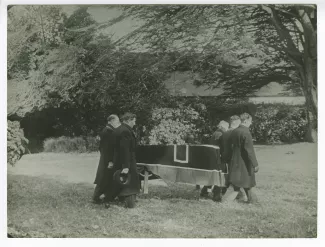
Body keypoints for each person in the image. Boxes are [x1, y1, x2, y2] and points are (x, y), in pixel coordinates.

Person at [106, 112, 140, 208]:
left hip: (120, 161)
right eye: (134, 121)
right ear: (128, 120)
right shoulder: (125, 131)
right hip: (126, 162)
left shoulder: (119, 129)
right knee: (129, 182)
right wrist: (126, 166)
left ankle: (110, 199)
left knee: (120, 181)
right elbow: (125, 150)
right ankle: (129, 203)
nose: (134, 123)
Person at [228, 113, 259, 204]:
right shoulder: (246, 132)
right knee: (247, 180)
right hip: (244, 161)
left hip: (235, 160)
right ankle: (251, 200)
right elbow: (249, 150)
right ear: (245, 121)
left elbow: (231, 146)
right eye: (250, 121)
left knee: (242, 180)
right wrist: (255, 164)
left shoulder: (234, 131)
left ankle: (252, 199)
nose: (251, 123)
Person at [92, 114, 121, 204]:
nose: (118, 123)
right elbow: (108, 149)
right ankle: (96, 198)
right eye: (117, 121)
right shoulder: (108, 131)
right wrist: (110, 161)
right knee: (103, 178)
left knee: (104, 178)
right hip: (107, 160)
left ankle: (100, 197)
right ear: (111, 121)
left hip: (105, 158)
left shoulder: (107, 130)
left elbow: (101, 148)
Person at [213, 115, 241, 201]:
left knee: (224, 176)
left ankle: (218, 193)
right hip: (232, 159)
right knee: (229, 177)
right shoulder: (235, 132)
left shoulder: (225, 133)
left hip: (223, 157)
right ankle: (227, 195)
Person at [200, 120, 229, 199]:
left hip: (213, 157)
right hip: (219, 158)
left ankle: (204, 192)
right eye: (227, 127)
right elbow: (223, 148)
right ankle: (216, 195)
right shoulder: (222, 134)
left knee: (212, 175)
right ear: (224, 127)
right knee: (220, 176)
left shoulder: (215, 133)